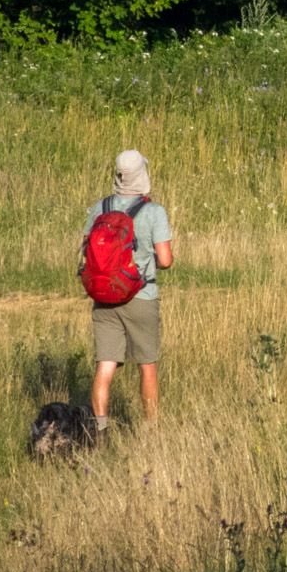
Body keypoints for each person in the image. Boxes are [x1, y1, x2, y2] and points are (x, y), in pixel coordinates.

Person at [82, 149, 173, 435]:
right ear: (142, 176)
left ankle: (100, 431)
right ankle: (149, 430)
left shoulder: (101, 208)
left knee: (105, 366)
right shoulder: (154, 212)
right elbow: (166, 260)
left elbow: (86, 252)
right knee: (146, 367)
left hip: (103, 297)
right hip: (140, 296)